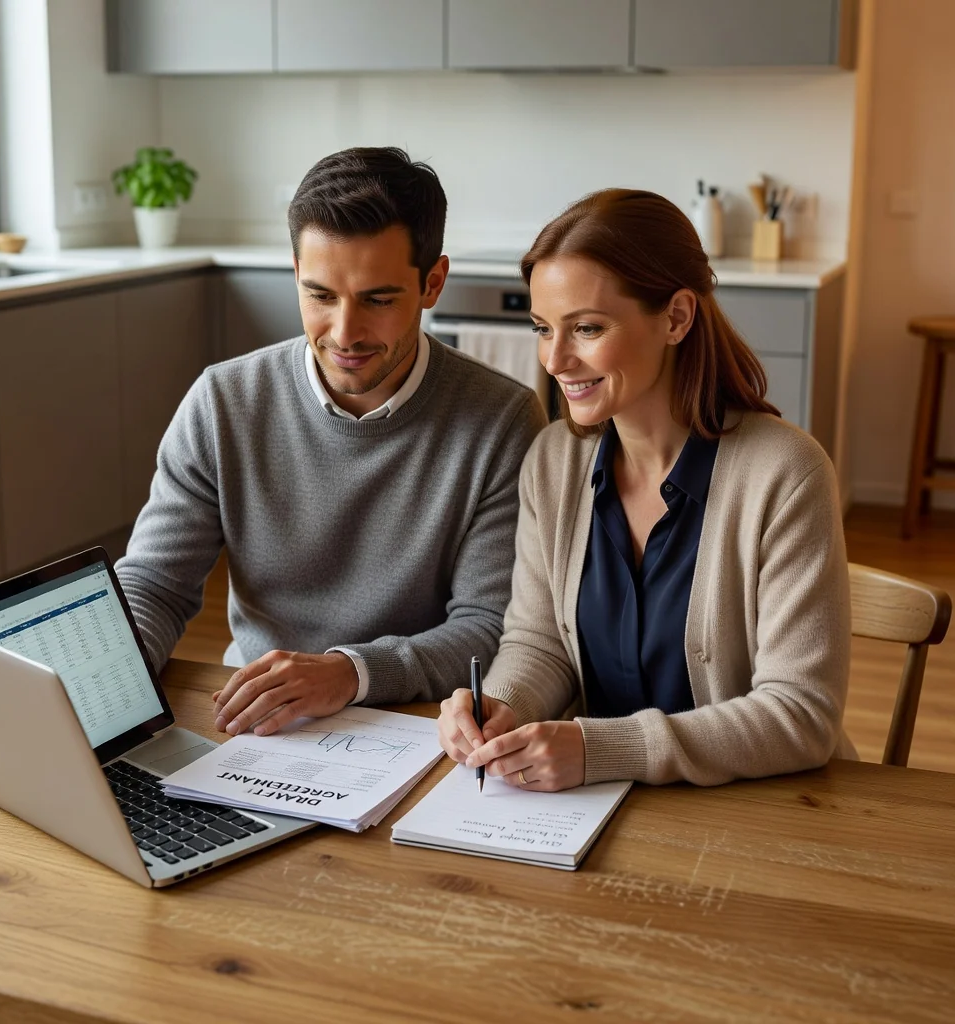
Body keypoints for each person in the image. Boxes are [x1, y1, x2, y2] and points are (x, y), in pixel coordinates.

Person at [115, 147, 546, 738]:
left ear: (433, 283)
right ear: (295, 273)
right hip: (260, 720)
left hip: (416, 724)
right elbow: (154, 585)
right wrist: (105, 684)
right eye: (320, 295)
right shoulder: (223, 401)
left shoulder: (503, 420)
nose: (345, 333)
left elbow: (487, 627)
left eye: (378, 299)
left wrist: (350, 673)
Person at [438, 188, 854, 790]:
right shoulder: (553, 462)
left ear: (677, 317)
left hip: (762, 817)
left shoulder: (786, 473)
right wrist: (501, 706)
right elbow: (539, 642)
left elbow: (801, 715)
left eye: (586, 328)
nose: (555, 359)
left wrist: (601, 749)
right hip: (600, 812)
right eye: (542, 328)